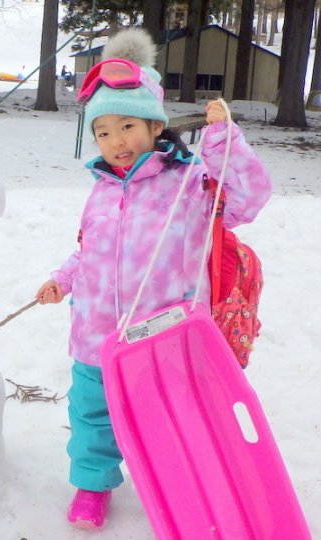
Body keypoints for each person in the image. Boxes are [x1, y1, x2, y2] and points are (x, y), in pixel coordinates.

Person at [35, 28, 271, 530]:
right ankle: (92, 485)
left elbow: (248, 200)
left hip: (162, 336)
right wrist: (63, 280)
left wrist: (226, 140)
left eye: (127, 127)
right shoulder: (101, 189)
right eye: (103, 131)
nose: (116, 142)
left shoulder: (189, 181)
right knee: (92, 417)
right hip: (96, 334)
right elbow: (91, 250)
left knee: (171, 416)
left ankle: (177, 481)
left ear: (154, 125)